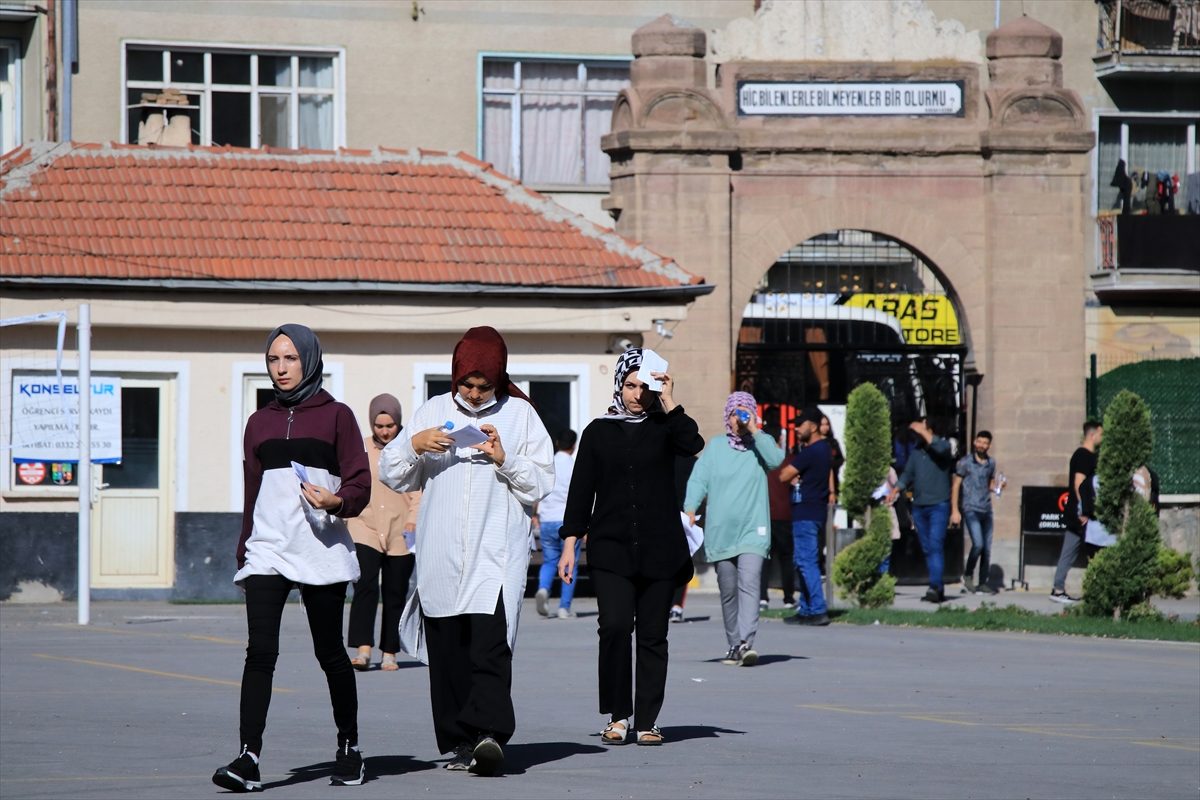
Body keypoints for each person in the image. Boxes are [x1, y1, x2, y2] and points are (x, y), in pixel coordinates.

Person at [380, 327, 554, 776]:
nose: (475, 394)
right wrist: (414, 444)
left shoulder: (522, 416)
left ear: (499, 378)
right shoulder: (433, 411)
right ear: (455, 376)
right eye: (467, 385)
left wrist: (504, 458)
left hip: (495, 555)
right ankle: (460, 742)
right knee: (449, 652)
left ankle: (491, 735)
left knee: (490, 647)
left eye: (484, 386)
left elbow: (541, 483)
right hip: (441, 553)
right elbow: (393, 474)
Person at [212, 324, 372, 792]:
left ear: (309, 360)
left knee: (330, 653)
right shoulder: (258, 422)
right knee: (259, 653)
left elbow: (360, 481)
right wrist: (245, 548)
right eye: (273, 360)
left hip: (319, 548)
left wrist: (337, 502)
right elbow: (252, 491)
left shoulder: (337, 416)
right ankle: (248, 758)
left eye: (290, 359)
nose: (280, 368)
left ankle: (349, 747)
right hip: (267, 549)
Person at [559, 348, 704, 746]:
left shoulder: (665, 426)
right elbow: (580, 491)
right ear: (619, 385)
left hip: (660, 549)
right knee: (616, 628)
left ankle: (648, 721)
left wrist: (671, 399)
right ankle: (619, 714)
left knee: (654, 636)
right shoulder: (597, 431)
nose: (636, 394)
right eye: (630, 385)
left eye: (645, 387)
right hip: (611, 549)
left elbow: (693, 443)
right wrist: (570, 543)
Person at [684, 392, 785, 666]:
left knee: (749, 585)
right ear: (726, 417)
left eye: (744, 412)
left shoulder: (761, 446)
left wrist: (754, 428)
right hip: (721, 533)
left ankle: (745, 642)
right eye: (734, 413)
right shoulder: (716, 447)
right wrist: (691, 508)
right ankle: (733, 644)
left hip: (754, 531)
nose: (738, 418)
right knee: (728, 591)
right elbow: (698, 479)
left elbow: (777, 460)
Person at [346, 394, 420, 671]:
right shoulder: (360, 449)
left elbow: (418, 491)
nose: (385, 431)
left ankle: (389, 651)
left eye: (390, 425)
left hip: (402, 532)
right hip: (364, 527)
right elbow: (350, 483)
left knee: (395, 593)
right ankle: (363, 650)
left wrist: (413, 520)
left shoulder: (410, 450)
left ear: (398, 423)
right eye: (379, 426)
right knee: (364, 587)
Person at [887, 419, 955, 603]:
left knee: (935, 545)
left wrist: (923, 430)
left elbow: (942, 449)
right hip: (919, 507)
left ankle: (934, 586)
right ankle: (937, 586)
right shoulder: (916, 452)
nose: (917, 434)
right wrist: (895, 489)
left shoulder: (943, 446)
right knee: (927, 548)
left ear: (930, 430)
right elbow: (908, 474)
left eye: (922, 430)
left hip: (938, 505)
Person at [778, 407, 833, 626]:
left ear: (813, 426)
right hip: (812, 512)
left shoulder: (812, 451)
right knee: (802, 561)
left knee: (806, 561)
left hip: (807, 514)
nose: (797, 429)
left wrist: (794, 474)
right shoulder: (822, 450)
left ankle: (818, 610)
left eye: (800, 425)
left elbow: (783, 474)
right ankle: (806, 609)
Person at [1051, 421, 1102, 604]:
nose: (1102, 439)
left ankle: (1059, 589)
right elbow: (1078, 483)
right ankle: (1058, 590)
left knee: (1075, 551)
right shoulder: (1083, 456)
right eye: (1101, 434)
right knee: (1090, 550)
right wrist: (1084, 509)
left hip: (1083, 513)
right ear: (1092, 435)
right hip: (1080, 514)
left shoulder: (1087, 456)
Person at [534, 429, 580, 619]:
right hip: (568, 522)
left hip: (547, 519)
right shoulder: (575, 466)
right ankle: (564, 607)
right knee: (571, 564)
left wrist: (535, 514)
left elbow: (537, 489)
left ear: (556, 442)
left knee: (550, 561)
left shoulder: (547, 464)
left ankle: (544, 589)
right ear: (574, 446)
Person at [951, 430, 1003, 596]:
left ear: (990, 445)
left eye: (985, 443)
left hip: (986, 509)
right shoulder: (965, 462)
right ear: (974, 442)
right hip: (970, 508)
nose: (981, 445)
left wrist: (998, 487)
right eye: (979, 442)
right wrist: (955, 510)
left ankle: (982, 582)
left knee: (986, 548)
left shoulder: (991, 463)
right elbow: (956, 485)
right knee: (978, 544)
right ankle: (967, 575)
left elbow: (990, 483)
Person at [760, 445, 797, 612]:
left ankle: (762, 598)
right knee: (787, 558)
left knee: (763, 559)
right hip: (785, 514)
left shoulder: (760, 458)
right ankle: (789, 598)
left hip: (764, 515)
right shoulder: (789, 459)